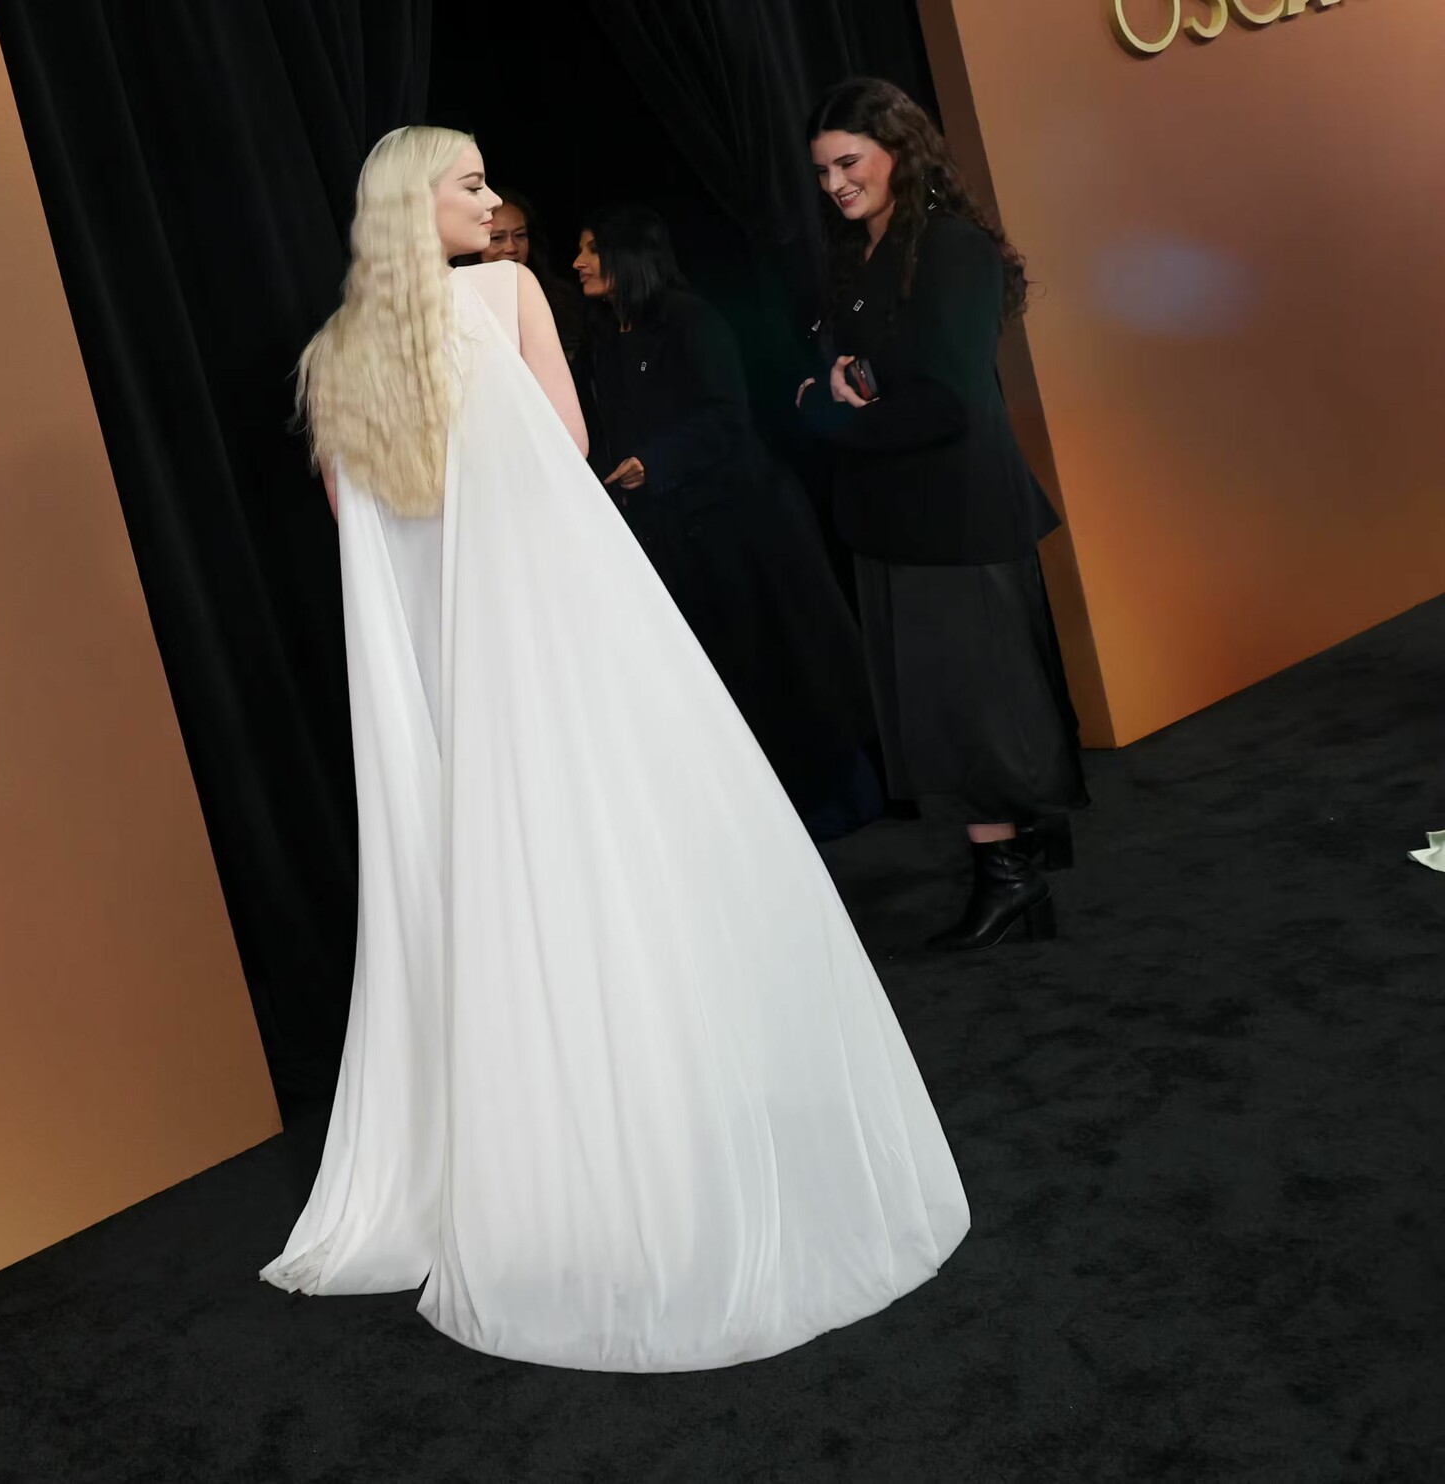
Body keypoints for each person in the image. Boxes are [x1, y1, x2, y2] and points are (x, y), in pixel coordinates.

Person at [259, 124, 967, 1372]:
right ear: (418, 204)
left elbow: (358, 527)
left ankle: (527, 1153)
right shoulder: (504, 296)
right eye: (470, 183)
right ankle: (649, 1116)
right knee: (612, 858)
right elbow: (570, 446)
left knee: (490, 891)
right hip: (548, 636)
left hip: (440, 682)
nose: (492, 202)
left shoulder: (335, 356)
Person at [796, 77, 1087, 951]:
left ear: (900, 150)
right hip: (897, 513)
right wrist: (830, 385)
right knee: (948, 703)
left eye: (849, 163)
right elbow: (869, 370)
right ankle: (1017, 862)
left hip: (955, 514)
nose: (835, 184)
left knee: (971, 705)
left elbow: (951, 400)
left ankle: (1012, 878)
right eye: (822, 172)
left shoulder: (951, 248)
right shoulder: (863, 252)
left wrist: (834, 415)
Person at [571, 204, 880, 840]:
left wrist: (653, 463)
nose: (578, 263)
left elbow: (725, 416)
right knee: (728, 678)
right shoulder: (604, 337)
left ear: (630, 255)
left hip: (743, 527)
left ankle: (838, 802)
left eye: (593, 249)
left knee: (782, 663)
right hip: (676, 534)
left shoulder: (688, 319)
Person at [482, 188, 583, 360]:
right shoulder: (457, 299)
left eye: (520, 235)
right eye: (497, 238)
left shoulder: (561, 301)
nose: (511, 247)